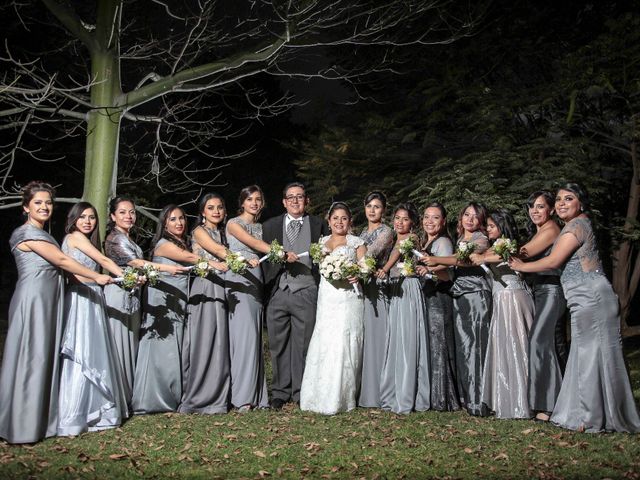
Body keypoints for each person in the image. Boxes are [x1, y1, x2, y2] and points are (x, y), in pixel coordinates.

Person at [511, 183, 640, 433]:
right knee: (586, 353)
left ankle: (592, 417)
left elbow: (553, 260)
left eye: (568, 198)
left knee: (592, 354)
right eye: (558, 199)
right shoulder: (574, 226)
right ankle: (591, 412)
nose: (561, 203)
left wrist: (520, 265)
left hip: (591, 295)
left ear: (581, 203)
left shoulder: (577, 226)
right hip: (582, 297)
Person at [0, 182, 112, 444]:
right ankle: (20, 425)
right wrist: (98, 276)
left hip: (51, 301)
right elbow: (62, 261)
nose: (44, 207)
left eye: (48, 202)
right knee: (32, 356)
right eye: (38, 202)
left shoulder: (46, 235)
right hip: (33, 301)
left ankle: (41, 421)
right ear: (26, 207)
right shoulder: (24, 233)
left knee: (45, 357)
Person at [103, 196, 186, 409]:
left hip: (133, 295)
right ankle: (115, 400)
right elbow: (134, 262)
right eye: (122, 212)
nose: (128, 216)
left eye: (131, 212)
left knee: (130, 346)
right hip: (118, 294)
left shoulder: (128, 238)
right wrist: (166, 268)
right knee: (118, 345)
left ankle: (127, 396)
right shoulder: (114, 239)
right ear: (113, 216)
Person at [57, 202, 128, 436]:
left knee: (92, 351)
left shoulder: (81, 239)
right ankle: (75, 412)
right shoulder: (75, 237)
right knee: (82, 352)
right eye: (83, 217)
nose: (87, 221)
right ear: (73, 219)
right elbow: (105, 262)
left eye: (92, 217)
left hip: (92, 297)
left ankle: (92, 407)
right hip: (81, 298)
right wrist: (127, 277)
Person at [262, 182, 329, 410]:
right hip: (278, 290)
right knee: (278, 344)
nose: (295, 201)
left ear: (306, 200)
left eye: (299, 197)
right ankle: (280, 392)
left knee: (303, 344)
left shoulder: (319, 225)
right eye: (290, 197)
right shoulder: (270, 226)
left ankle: (302, 391)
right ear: (283, 202)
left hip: (307, 289)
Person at [424, 202, 492, 416]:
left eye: (475, 216)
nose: (470, 219)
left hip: (476, 297)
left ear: (481, 220)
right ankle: (466, 397)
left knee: (477, 347)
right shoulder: (460, 239)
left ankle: (480, 401)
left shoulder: (481, 240)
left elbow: (463, 260)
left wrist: (434, 260)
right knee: (463, 348)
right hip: (459, 295)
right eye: (466, 214)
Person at [300, 202, 366, 415]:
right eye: (335, 218)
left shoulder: (356, 242)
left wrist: (359, 274)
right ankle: (317, 395)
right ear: (329, 221)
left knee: (343, 342)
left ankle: (341, 397)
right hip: (327, 298)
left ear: (350, 221)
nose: (339, 222)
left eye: (344, 218)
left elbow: (365, 268)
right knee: (325, 340)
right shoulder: (321, 243)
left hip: (348, 298)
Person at [132, 205, 197, 414]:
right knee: (162, 347)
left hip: (178, 299)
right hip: (162, 300)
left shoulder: (182, 243)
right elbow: (189, 259)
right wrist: (221, 261)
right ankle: (152, 398)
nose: (179, 223)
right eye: (172, 219)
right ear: (164, 224)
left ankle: (172, 393)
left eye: (181, 218)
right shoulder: (163, 244)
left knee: (174, 346)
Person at [471, 209, 533, 419]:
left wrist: (480, 256)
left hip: (512, 298)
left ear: (502, 226)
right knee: (504, 346)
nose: (487, 230)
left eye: (491, 226)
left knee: (517, 346)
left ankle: (522, 401)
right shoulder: (494, 247)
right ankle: (505, 398)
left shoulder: (508, 245)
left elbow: (496, 256)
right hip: (501, 298)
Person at [179, 193, 230, 414]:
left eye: (219, 207)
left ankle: (219, 395)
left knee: (220, 341)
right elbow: (218, 251)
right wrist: (243, 257)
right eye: (211, 208)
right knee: (205, 339)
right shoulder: (199, 231)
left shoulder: (223, 232)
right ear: (202, 212)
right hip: (205, 286)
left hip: (223, 286)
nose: (216, 211)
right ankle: (198, 395)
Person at [377, 203, 430, 414]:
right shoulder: (391, 240)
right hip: (396, 291)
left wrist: (385, 269)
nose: (400, 222)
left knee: (407, 339)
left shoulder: (412, 238)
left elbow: (398, 254)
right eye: (397, 218)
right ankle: (394, 389)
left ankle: (407, 393)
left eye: (405, 219)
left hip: (408, 289)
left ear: (413, 223)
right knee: (396, 339)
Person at [520, 191, 567, 422]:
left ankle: (546, 405)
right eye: (532, 207)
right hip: (541, 292)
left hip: (552, 291)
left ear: (550, 210)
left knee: (538, 341)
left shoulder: (550, 230)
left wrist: (490, 254)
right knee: (555, 344)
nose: (535, 211)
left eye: (540, 207)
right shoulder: (538, 231)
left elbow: (524, 253)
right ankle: (563, 399)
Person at [225, 185, 270, 411]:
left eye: (258, 199)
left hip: (257, 276)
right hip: (240, 277)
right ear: (242, 202)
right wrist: (278, 251)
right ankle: (242, 397)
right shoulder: (233, 223)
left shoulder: (261, 226)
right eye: (249, 199)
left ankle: (257, 395)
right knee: (243, 336)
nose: (254, 203)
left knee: (254, 335)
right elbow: (253, 244)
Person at [416, 202, 460, 411]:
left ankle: (444, 397)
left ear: (443, 221)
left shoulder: (442, 242)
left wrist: (429, 271)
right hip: (429, 297)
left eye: (435, 217)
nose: (429, 221)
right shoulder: (427, 241)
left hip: (439, 299)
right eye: (426, 217)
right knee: (433, 345)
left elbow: (447, 272)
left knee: (440, 345)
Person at [358, 191, 394, 408]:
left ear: (384, 210)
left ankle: (380, 392)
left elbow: (370, 255)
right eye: (369, 206)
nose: (372, 210)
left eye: (377, 206)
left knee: (379, 337)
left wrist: (343, 259)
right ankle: (366, 391)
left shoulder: (387, 232)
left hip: (379, 287)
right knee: (366, 338)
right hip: (363, 287)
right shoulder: (361, 232)